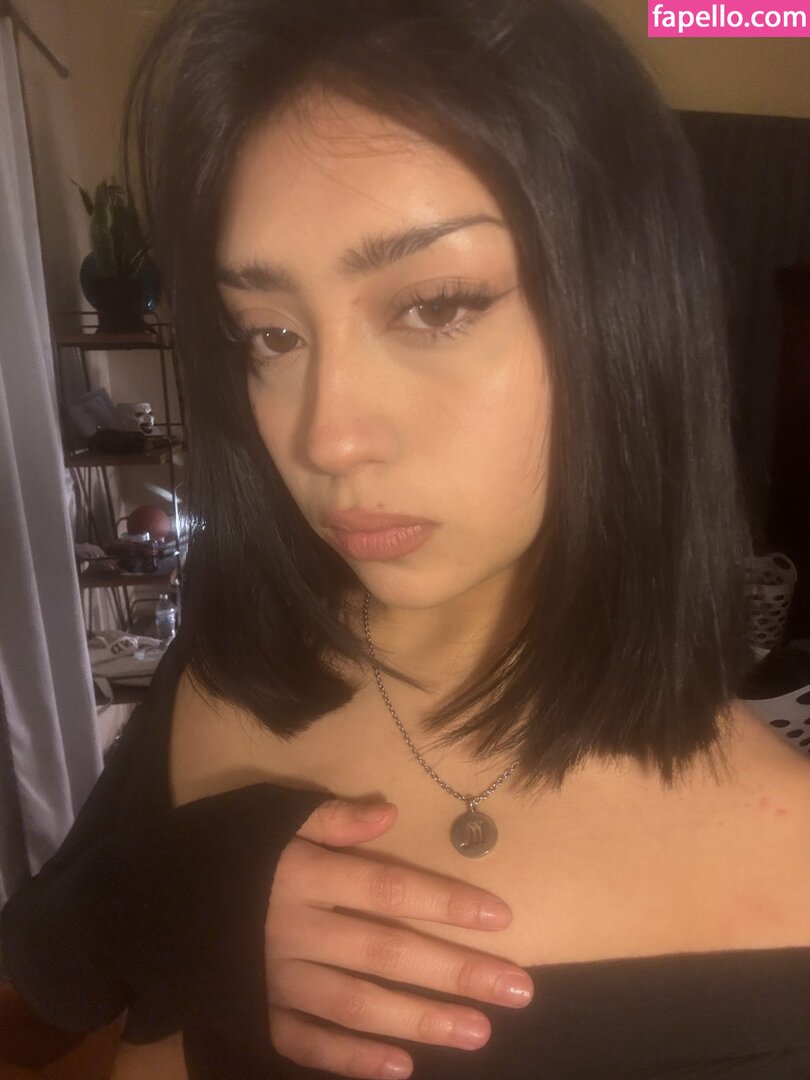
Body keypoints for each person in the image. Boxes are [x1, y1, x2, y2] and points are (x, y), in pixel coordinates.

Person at [3, 0, 810, 1077]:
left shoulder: (788, 877)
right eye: (271, 335)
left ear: (627, 314)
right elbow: (61, 978)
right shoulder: (232, 680)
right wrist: (191, 889)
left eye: (435, 307)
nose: (326, 436)